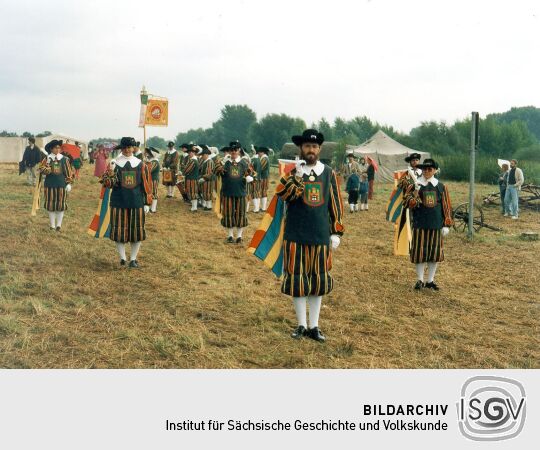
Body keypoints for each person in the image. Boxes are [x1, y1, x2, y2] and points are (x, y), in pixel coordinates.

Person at [275, 129, 344, 342]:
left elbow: (336, 204)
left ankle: (314, 326)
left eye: (314, 147)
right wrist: (296, 176)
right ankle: (301, 325)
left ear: (319, 149)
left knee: (317, 282)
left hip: (320, 235)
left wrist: (336, 232)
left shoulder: (329, 172)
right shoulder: (291, 172)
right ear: (301, 149)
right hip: (295, 234)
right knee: (298, 282)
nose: (311, 150)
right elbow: (284, 195)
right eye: (307, 146)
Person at [100, 137, 153, 268]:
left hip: (136, 202)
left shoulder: (141, 164)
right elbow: (108, 184)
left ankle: (133, 259)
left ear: (133, 148)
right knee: (119, 231)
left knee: (136, 231)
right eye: (124, 148)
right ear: (121, 149)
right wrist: (111, 170)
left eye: (129, 147)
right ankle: (123, 258)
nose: (127, 150)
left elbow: (147, 185)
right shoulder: (115, 163)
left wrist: (147, 202)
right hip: (119, 201)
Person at [402, 158, 453, 290]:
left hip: (436, 225)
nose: (427, 171)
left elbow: (446, 206)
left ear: (435, 170)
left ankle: (430, 280)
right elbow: (407, 203)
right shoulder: (414, 185)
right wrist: (415, 194)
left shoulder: (441, 186)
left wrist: (446, 224)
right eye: (424, 169)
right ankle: (419, 280)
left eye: (430, 169)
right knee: (420, 253)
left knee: (434, 254)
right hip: (420, 224)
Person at [214, 141, 254, 243]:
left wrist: (250, 177)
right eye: (232, 150)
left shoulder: (244, 163)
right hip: (227, 192)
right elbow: (216, 171)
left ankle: (239, 236)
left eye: (235, 150)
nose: (233, 152)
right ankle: (230, 236)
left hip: (241, 193)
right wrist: (221, 164)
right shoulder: (225, 162)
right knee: (228, 214)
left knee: (240, 214)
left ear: (239, 150)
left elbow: (252, 173)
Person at [38, 139, 74, 231]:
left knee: (60, 205)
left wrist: (69, 183)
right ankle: (52, 225)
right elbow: (41, 170)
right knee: (51, 206)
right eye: (55, 148)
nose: (58, 149)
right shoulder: (46, 159)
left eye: (59, 147)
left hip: (62, 185)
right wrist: (47, 166)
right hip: (49, 185)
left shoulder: (65, 159)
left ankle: (59, 225)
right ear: (51, 149)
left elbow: (69, 172)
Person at [182, 144, 200, 211]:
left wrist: (183, 172)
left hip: (192, 179)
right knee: (191, 192)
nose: (189, 154)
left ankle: (194, 207)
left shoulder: (193, 161)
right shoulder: (193, 160)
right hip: (191, 178)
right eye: (189, 152)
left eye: (190, 152)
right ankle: (193, 207)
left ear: (194, 153)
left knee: (193, 193)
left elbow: (187, 169)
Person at [198, 145, 215, 211]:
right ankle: (207, 206)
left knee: (208, 193)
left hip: (208, 180)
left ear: (206, 154)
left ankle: (209, 206)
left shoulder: (209, 162)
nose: (202, 156)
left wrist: (204, 178)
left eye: (203, 155)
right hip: (206, 180)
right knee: (205, 192)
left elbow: (209, 173)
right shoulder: (205, 161)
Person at [145, 146, 160, 213]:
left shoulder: (155, 162)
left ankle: (153, 209)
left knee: (154, 193)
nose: (147, 154)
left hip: (154, 179)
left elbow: (149, 170)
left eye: (149, 153)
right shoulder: (151, 161)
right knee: (150, 192)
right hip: (150, 179)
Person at [257, 146, 270, 212]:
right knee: (262, 191)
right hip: (264, 177)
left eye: (259, 152)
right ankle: (263, 208)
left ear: (262, 152)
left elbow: (260, 168)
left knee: (263, 192)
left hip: (264, 177)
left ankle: (263, 208)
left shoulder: (264, 158)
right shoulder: (264, 158)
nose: (258, 154)